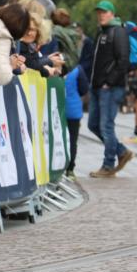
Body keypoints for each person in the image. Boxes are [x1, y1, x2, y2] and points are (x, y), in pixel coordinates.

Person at [87, 0, 134, 177]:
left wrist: (110, 81)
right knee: (93, 124)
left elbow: (124, 61)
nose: (101, 15)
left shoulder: (119, 31)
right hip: (97, 86)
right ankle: (121, 151)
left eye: (104, 12)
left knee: (106, 126)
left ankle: (108, 166)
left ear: (112, 13)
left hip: (110, 87)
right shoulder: (101, 32)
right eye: (99, 12)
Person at [63, 42, 91, 179]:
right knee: (72, 140)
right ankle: (70, 169)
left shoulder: (52, 66)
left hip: (56, 111)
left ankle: (58, 168)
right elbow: (84, 89)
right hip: (73, 110)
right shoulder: (78, 69)